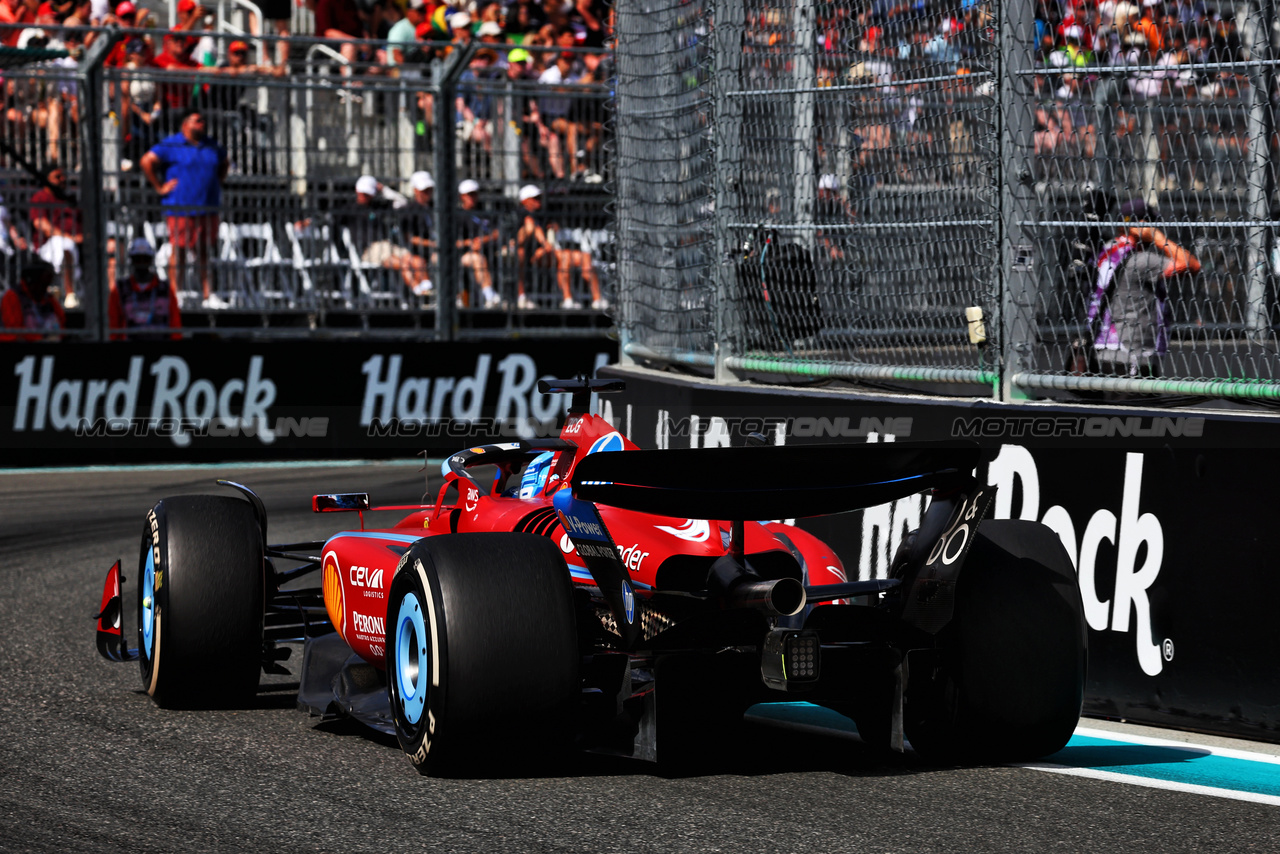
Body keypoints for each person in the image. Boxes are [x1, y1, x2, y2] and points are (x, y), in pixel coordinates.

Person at [1087, 200, 1200, 377]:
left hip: (1103, 342)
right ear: (1141, 224)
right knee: (1137, 401)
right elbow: (1190, 265)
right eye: (1151, 224)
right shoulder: (1140, 260)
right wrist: (1158, 237)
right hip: (1132, 350)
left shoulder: (1106, 251)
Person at [140, 108, 229, 307]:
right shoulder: (172, 144)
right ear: (185, 124)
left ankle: (209, 295)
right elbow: (147, 161)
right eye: (197, 120)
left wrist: (216, 183)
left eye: (203, 120)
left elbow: (225, 162)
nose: (202, 124)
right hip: (180, 207)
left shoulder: (212, 145)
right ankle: (175, 294)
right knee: (179, 251)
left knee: (204, 251)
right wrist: (159, 187)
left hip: (207, 207)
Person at [513, 184, 600, 309]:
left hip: (548, 252)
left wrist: (553, 228)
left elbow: (552, 230)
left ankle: (590, 300)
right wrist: (545, 243)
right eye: (535, 198)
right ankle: (567, 298)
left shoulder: (544, 215)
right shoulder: (519, 214)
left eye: (539, 197)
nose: (538, 201)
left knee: (582, 256)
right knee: (530, 225)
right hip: (531, 254)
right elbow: (525, 233)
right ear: (524, 201)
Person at [29, 165, 82, 307]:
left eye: (63, 176)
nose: (62, 179)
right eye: (57, 177)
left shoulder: (70, 199)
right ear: (47, 180)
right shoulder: (41, 197)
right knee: (64, 244)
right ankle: (69, 294)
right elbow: (41, 224)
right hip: (47, 246)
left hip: (77, 247)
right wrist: (70, 238)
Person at [108, 238, 181, 339]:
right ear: (132, 260)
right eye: (137, 259)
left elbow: (175, 324)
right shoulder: (119, 289)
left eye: (145, 258)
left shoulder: (165, 289)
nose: (141, 263)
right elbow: (113, 324)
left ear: (151, 260)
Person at [457, 179, 500, 308]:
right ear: (462, 196)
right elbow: (452, 242)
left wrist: (482, 241)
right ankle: (490, 296)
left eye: (474, 194)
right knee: (477, 258)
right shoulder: (457, 215)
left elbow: (497, 232)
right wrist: (470, 243)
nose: (472, 197)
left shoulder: (485, 213)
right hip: (463, 256)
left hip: (489, 252)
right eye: (469, 194)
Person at [0, 258, 64, 341]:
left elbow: (62, 322)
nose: (45, 288)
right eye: (43, 284)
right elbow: (15, 331)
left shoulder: (48, 298)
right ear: (32, 281)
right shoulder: (13, 296)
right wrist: (40, 339)